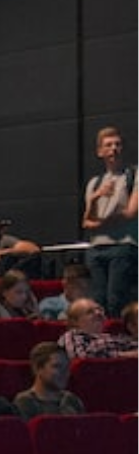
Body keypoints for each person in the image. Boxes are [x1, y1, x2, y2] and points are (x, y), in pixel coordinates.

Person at [81, 125, 135, 314]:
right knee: (98, 301)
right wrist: (96, 197)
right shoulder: (94, 183)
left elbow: (130, 213)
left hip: (123, 247)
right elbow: (86, 221)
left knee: (116, 300)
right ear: (100, 152)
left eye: (117, 144)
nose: (113, 149)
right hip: (97, 249)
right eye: (109, 145)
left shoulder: (133, 176)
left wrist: (99, 224)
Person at [12, 342, 84, 417]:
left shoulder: (72, 400)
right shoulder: (25, 402)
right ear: (37, 369)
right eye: (57, 366)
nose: (65, 372)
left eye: (67, 367)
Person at [56, 297, 135, 359]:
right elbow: (82, 358)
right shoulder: (71, 336)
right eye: (90, 312)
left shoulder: (112, 337)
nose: (98, 313)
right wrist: (125, 355)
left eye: (100, 309)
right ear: (74, 321)